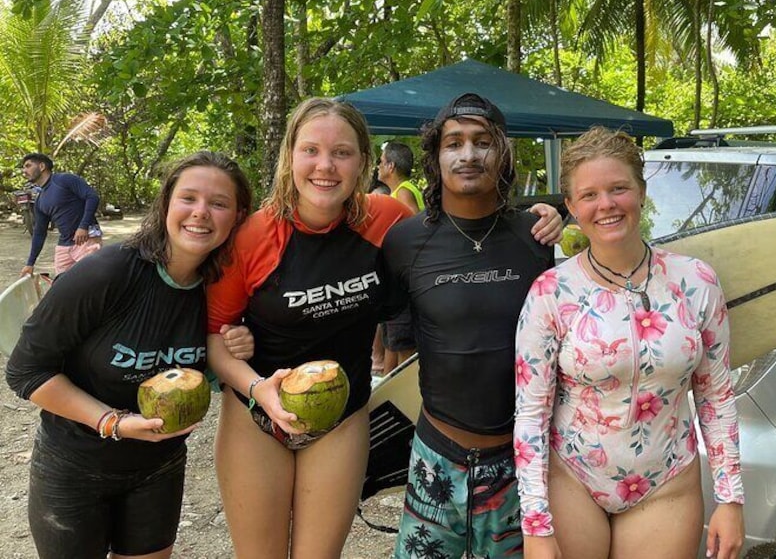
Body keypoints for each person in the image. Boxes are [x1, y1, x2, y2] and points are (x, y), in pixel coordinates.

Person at [205, 96, 562, 558]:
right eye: (311, 150)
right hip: (256, 412)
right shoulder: (253, 235)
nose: (325, 166)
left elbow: (455, 240)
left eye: (342, 152)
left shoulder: (389, 221)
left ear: (364, 162)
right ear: (289, 155)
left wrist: (544, 216)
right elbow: (214, 335)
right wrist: (255, 386)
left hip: (342, 416)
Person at [5, 151, 253, 559]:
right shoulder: (107, 272)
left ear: (238, 216)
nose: (201, 213)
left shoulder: (223, 289)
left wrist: (237, 347)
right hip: (74, 466)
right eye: (188, 198)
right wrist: (112, 422)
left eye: (219, 203)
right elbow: (25, 371)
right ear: (167, 204)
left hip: (160, 467)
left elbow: (203, 372)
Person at [514, 126, 745, 559]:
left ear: (641, 191)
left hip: (667, 484)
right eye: (589, 195)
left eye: (618, 188)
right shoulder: (550, 292)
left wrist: (730, 498)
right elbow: (530, 415)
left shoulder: (695, 281)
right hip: (573, 480)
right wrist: (536, 526)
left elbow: (715, 395)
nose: (606, 205)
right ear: (571, 207)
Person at [381, 93, 556, 559]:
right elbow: (373, 319)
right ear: (435, 158)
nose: (468, 154)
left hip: (522, 462)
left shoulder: (537, 238)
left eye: (482, 142)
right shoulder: (405, 241)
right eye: (453, 142)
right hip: (437, 456)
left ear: (503, 153)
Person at [376, 140, 422, 373]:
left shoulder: (403, 192)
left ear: (391, 166)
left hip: (405, 280)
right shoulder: (402, 190)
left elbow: (413, 227)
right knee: (393, 343)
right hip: (401, 279)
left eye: (381, 162)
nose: (378, 166)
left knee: (404, 347)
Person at [19, 152, 103, 277]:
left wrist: (83, 226)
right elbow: (39, 233)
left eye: (28, 166)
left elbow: (92, 197)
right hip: (64, 246)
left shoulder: (64, 179)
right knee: (60, 286)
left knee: (91, 283)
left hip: (86, 240)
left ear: (42, 166)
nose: (24, 171)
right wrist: (30, 263)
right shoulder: (40, 200)